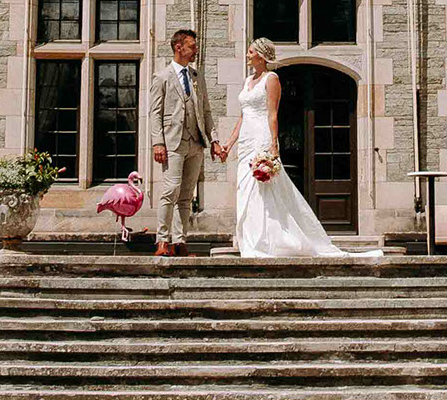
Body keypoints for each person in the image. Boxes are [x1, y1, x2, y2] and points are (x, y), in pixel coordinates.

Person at [216, 37, 376, 259]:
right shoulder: (247, 81)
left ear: (261, 56)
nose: (247, 54)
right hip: (245, 139)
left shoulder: (271, 79)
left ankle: (270, 240)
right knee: (245, 188)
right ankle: (250, 239)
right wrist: (228, 144)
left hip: (261, 136)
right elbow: (242, 117)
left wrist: (273, 145)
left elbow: (272, 114)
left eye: (251, 51)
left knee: (262, 188)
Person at [147, 28, 219, 257]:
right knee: (170, 191)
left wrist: (214, 139)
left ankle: (180, 241)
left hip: (195, 143)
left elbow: (206, 111)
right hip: (172, 143)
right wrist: (158, 142)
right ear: (179, 47)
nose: (195, 50)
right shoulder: (162, 77)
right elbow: (154, 113)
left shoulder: (197, 77)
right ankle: (162, 240)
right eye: (192, 46)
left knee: (187, 195)